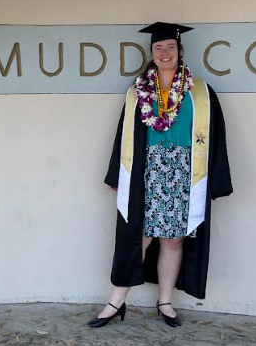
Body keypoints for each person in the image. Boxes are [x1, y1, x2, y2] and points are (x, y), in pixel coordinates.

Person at [88, 22, 233, 328]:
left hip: (185, 173)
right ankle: (116, 301)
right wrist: (118, 174)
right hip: (147, 171)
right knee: (139, 236)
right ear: (151, 54)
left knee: (174, 240)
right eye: (158, 48)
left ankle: (165, 301)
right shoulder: (137, 91)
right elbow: (123, 135)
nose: (164, 53)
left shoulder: (202, 92)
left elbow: (216, 138)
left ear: (180, 51)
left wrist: (217, 180)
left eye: (170, 47)